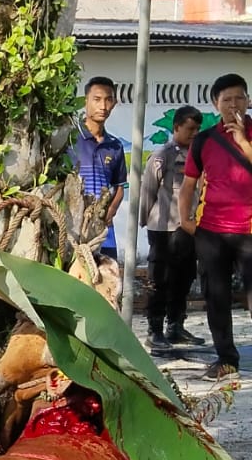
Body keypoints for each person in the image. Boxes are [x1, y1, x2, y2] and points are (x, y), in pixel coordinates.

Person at [178, 73, 252, 381]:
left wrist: (243, 144)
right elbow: (188, 184)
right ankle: (226, 358)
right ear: (215, 104)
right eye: (226, 99)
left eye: (239, 97)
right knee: (216, 296)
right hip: (211, 231)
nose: (233, 104)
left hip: (250, 230)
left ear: (248, 100)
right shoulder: (205, 140)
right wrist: (185, 220)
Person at [139, 105, 205, 354]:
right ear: (176, 127)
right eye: (190, 129)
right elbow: (148, 191)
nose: (194, 133)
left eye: (197, 129)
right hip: (163, 228)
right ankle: (154, 330)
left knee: (184, 278)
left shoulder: (198, 156)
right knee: (160, 280)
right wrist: (146, 221)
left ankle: (175, 326)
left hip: (188, 229)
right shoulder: (162, 156)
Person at [69, 76, 128, 262]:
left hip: (103, 229)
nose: (103, 106)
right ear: (85, 100)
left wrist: (110, 212)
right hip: (73, 224)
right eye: (97, 99)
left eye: (108, 100)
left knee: (105, 278)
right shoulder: (69, 139)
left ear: (114, 103)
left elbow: (119, 186)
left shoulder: (115, 146)